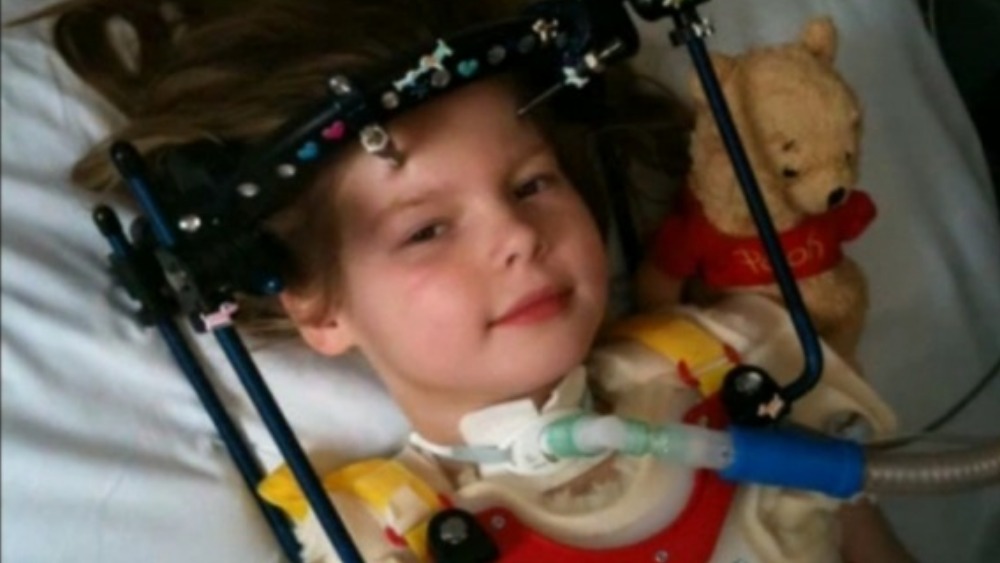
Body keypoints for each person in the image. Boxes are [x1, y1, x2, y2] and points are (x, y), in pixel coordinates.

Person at [27, 0, 916, 561]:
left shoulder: (742, 365)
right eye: (426, 229)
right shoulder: (383, 535)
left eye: (532, 183)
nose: (518, 237)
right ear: (321, 308)